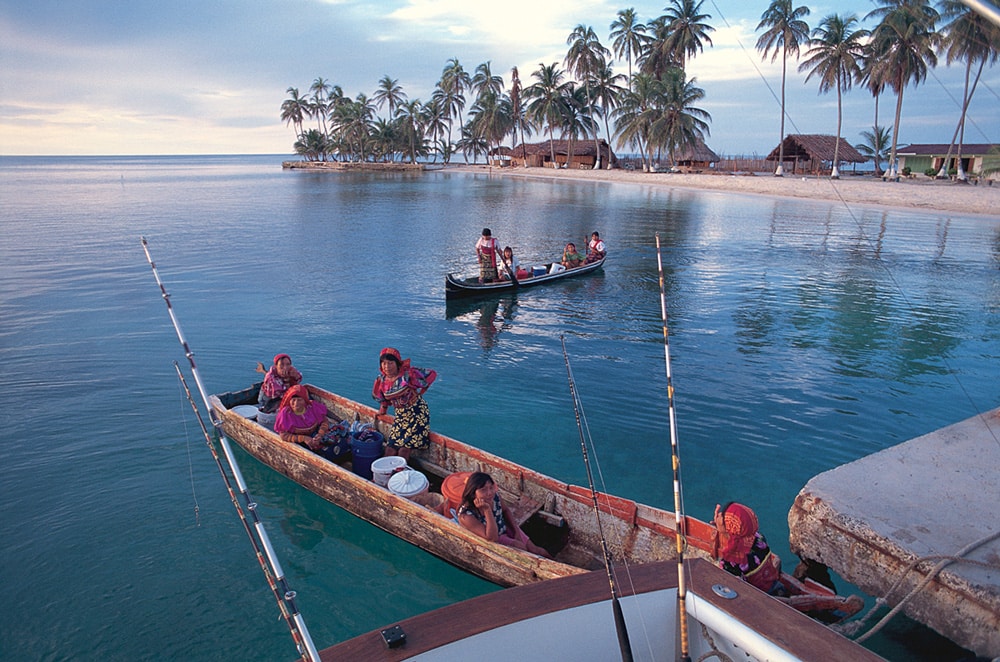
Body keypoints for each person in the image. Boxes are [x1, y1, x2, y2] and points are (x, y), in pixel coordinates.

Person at [712, 502, 863, 619]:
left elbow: (734, 589)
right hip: (774, 583)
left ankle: (825, 607)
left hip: (766, 594)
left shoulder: (734, 559)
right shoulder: (758, 538)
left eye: (720, 518)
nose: (716, 518)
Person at [457, 472, 551, 557]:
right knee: (523, 549)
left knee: (537, 551)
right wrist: (487, 510)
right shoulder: (467, 516)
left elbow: (505, 511)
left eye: (491, 488)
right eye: (483, 490)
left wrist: (516, 531)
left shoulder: (495, 497)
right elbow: (492, 538)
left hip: (505, 527)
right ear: (473, 494)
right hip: (495, 537)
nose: (489, 493)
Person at [372, 347, 436, 461]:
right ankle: (384, 475)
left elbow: (431, 374)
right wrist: (381, 411)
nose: (387, 367)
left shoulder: (408, 375)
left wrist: (420, 393)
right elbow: (382, 399)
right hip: (401, 415)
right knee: (390, 448)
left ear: (397, 364)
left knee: (404, 450)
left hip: (417, 413)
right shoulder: (381, 380)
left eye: (390, 363)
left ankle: (398, 475)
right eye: (384, 363)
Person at [273, 384, 348, 461]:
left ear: (305, 400)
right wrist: (303, 438)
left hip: (316, 435)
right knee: (323, 453)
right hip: (300, 441)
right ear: (289, 400)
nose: (296, 403)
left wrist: (320, 434)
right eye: (293, 400)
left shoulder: (312, 407)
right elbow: (283, 435)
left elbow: (324, 421)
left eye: (299, 400)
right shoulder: (286, 414)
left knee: (340, 439)